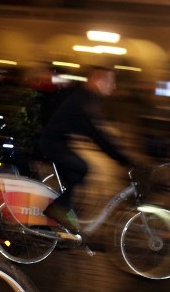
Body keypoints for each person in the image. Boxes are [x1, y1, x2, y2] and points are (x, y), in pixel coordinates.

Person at [37, 66, 134, 232]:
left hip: (57, 143)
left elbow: (98, 133)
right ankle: (57, 210)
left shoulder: (86, 98)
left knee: (78, 178)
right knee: (82, 169)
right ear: (98, 81)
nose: (114, 86)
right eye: (111, 81)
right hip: (51, 144)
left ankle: (59, 226)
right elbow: (97, 134)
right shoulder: (84, 101)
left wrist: (119, 153)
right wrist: (121, 158)